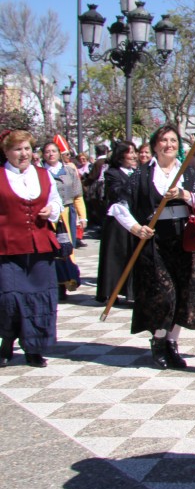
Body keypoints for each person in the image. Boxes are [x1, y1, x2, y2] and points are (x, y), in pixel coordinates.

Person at [112, 125, 195, 370]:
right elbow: (119, 206)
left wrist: (184, 194)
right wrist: (136, 228)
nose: (169, 145)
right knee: (164, 294)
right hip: (156, 241)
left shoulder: (187, 172)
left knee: (184, 292)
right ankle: (158, 341)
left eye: (173, 140)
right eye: (163, 140)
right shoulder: (141, 174)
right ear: (154, 145)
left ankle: (172, 343)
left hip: (184, 240)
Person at [0, 131, 62, 368]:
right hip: (8, 248)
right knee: (10, 298)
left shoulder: (43, 175)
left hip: (40, 247)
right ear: (6, 152)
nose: (24, 154)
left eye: (27, 148)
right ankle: (7, 342)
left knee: (38, 298)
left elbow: (56, 200)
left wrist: (52, 209)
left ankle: (33, 348)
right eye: (18, 149)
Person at [40, 141, 86, 298]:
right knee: (50, 250)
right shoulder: (39, 172)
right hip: (46, 216)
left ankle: (68, 280)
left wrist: (82, 216)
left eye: (54, 151)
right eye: (47, 151)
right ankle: (54, 283)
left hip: (66, 213)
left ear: (59, 153)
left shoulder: (69, 170)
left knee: (66, 248)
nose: (51, 154)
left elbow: (78, 195)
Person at [95, 141, 139, 305]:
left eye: (134, 152)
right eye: (130, 152)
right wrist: (133, 181)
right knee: (115, 257)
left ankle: (131, 292)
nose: (134, 156)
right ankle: (111, 292)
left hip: (134, 220)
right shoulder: (112, 173)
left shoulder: (137, 172)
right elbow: (115, 193)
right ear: (121, 156)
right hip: (117, 221)